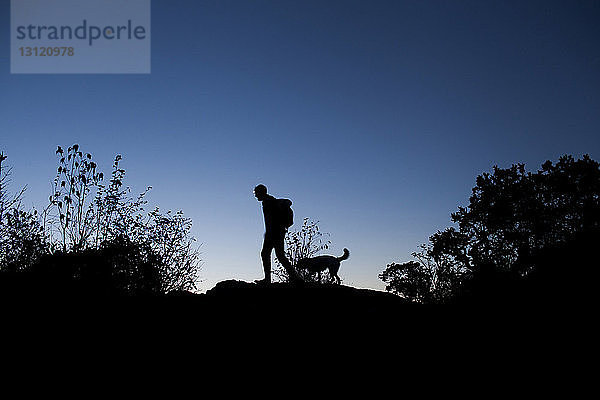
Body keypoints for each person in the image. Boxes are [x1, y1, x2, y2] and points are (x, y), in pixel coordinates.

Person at [253, 184, 302, 284]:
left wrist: (270, 232)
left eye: (256, 193)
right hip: (276, 232)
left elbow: (272, 218)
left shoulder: (269, 202)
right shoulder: (269, 201)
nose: (255, 195)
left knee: (269, 254)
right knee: (276, 255)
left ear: (261, 192)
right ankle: (295, 278)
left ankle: (269, 280)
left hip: (274, 233)